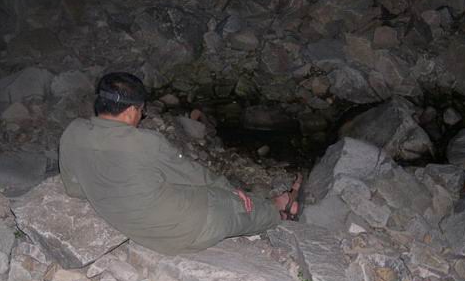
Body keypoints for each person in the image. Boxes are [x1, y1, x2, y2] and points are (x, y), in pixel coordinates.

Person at [59, 72, 300, 256]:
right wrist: (232, 190)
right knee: (233, 204)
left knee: (174, 184)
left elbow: (74, 189)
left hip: (140, 225)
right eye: (142, 111)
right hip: (186, 230)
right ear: (131, 110)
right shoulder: (143, 142)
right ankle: (277, 210)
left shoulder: (73, 131)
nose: (141, 116)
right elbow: (193, 174)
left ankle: (269, 205)